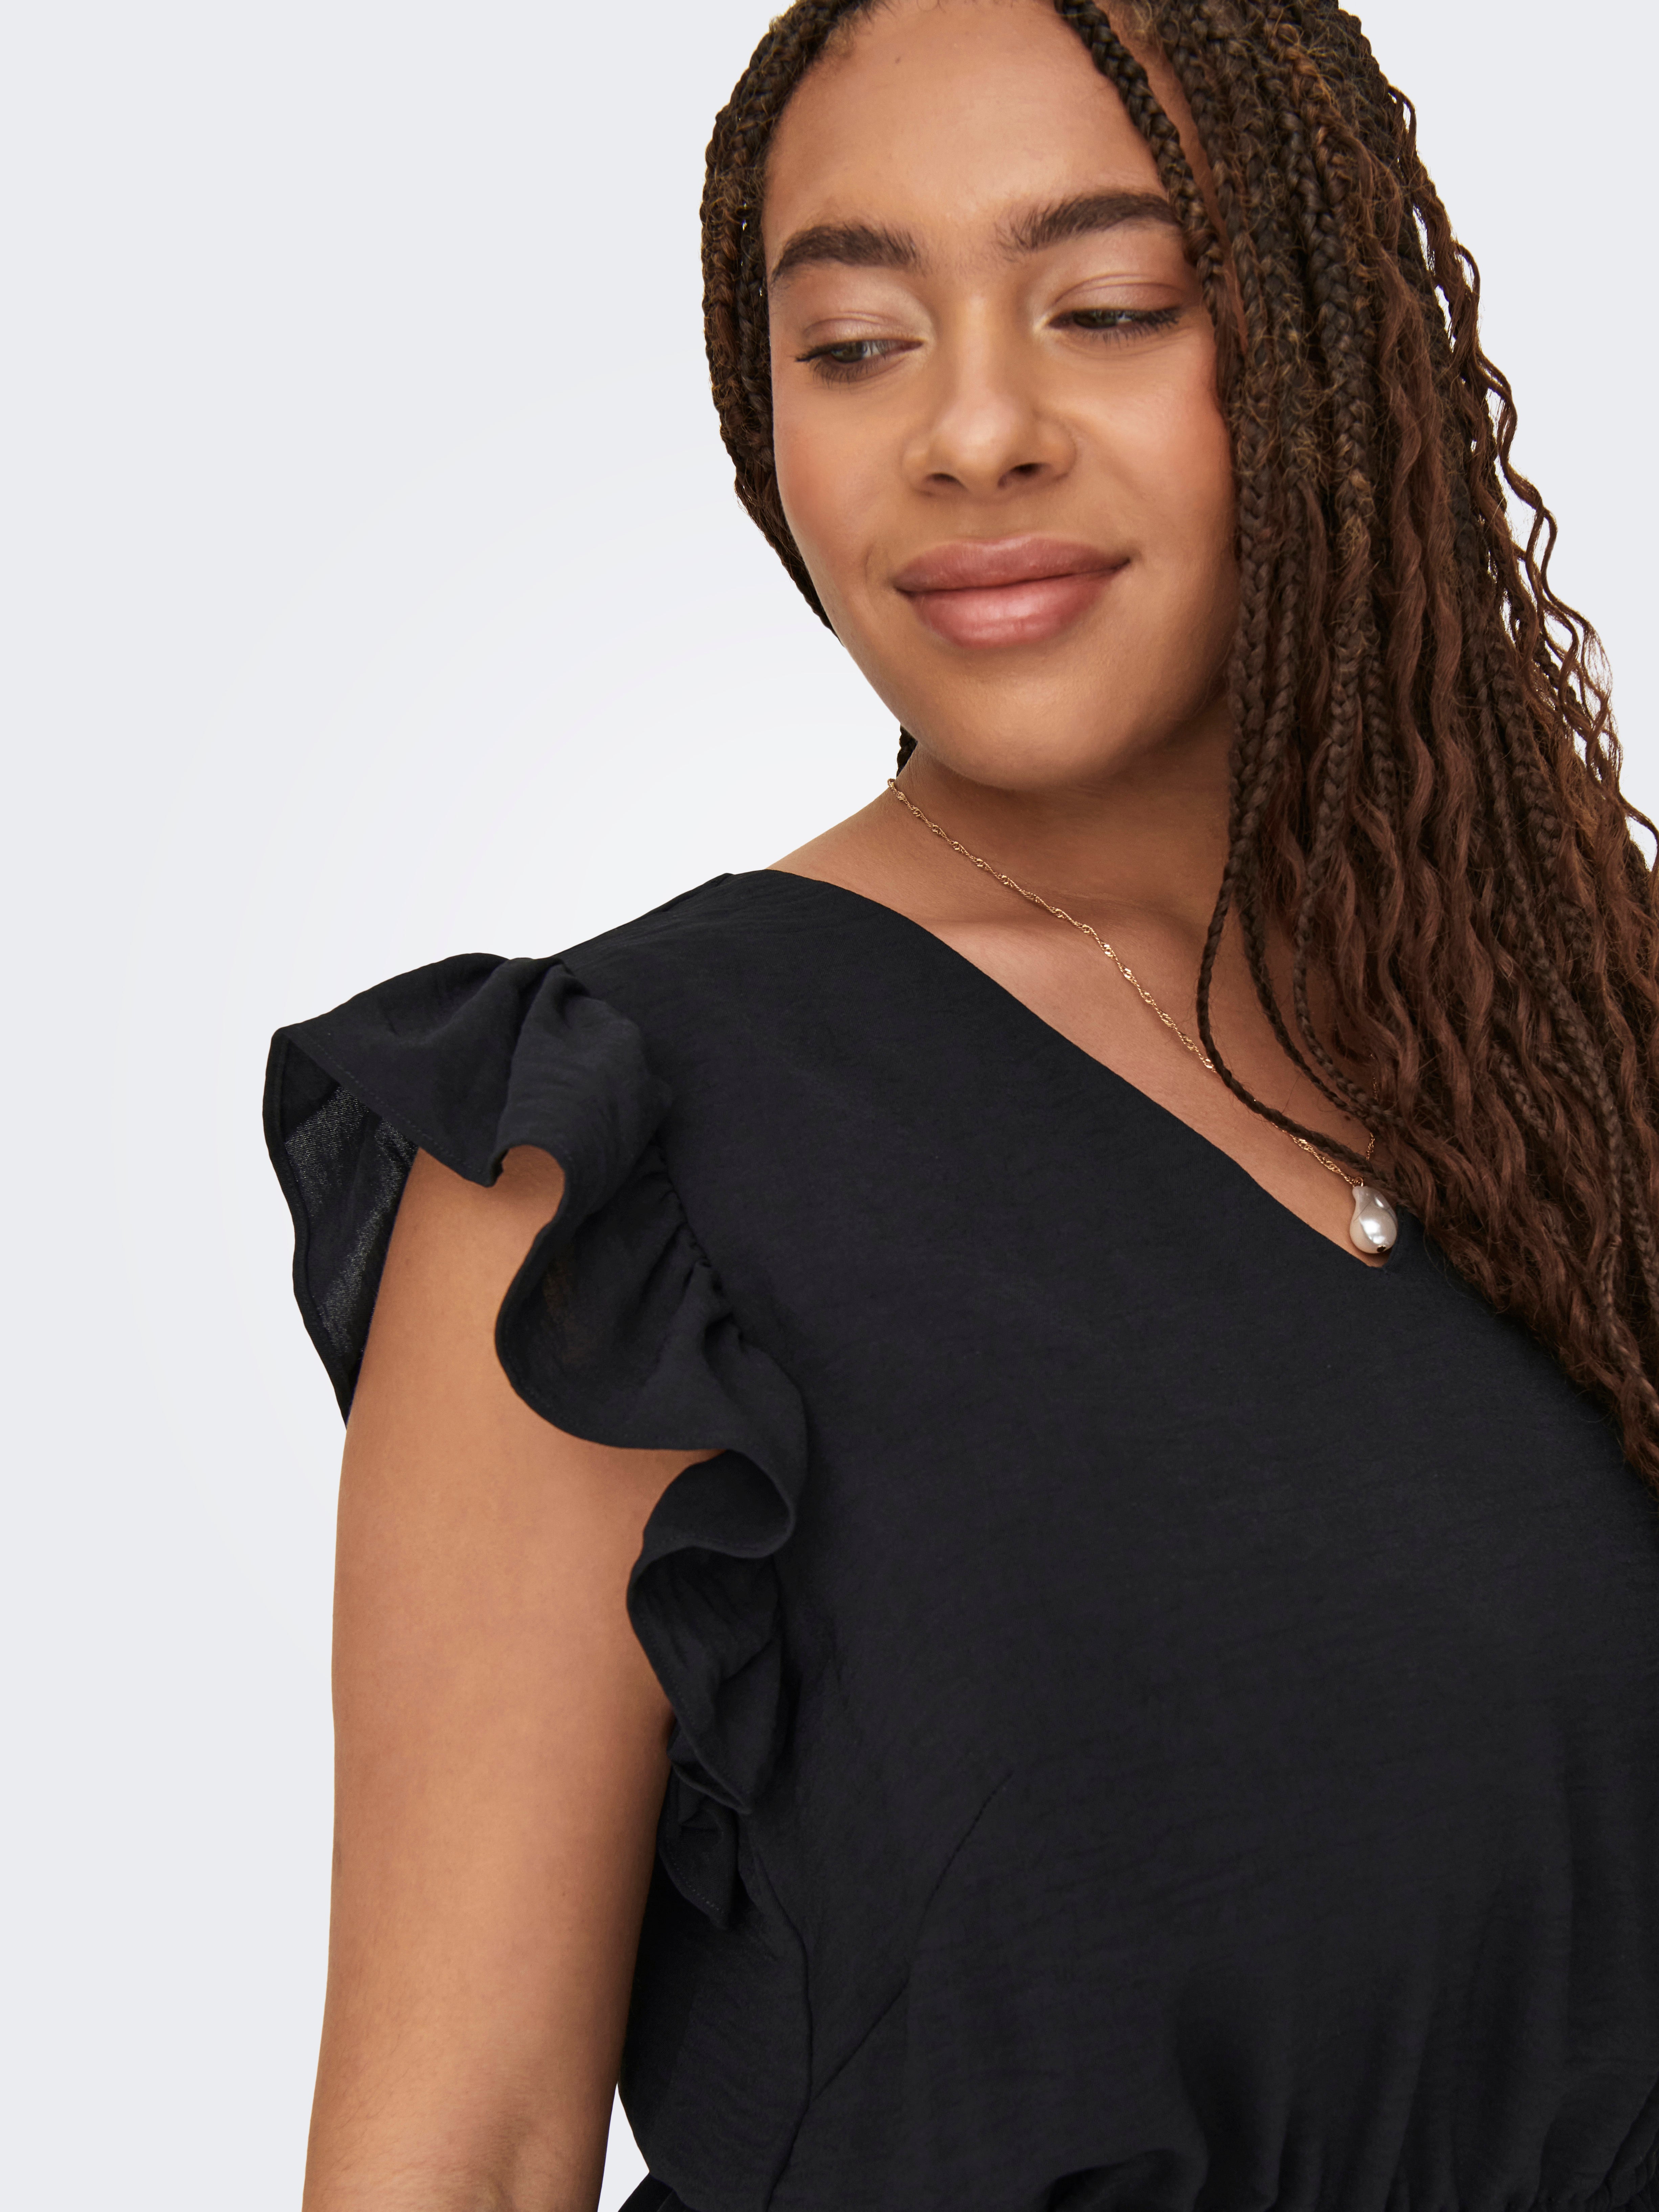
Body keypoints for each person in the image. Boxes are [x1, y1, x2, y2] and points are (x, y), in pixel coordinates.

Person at [264, 2, 1659, 2208]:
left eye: (1106, 308)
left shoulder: (1574, 1047)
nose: (971, 431)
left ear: (1331, 356)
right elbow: (463, 2149)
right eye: (853, 346)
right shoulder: (603, 1175)